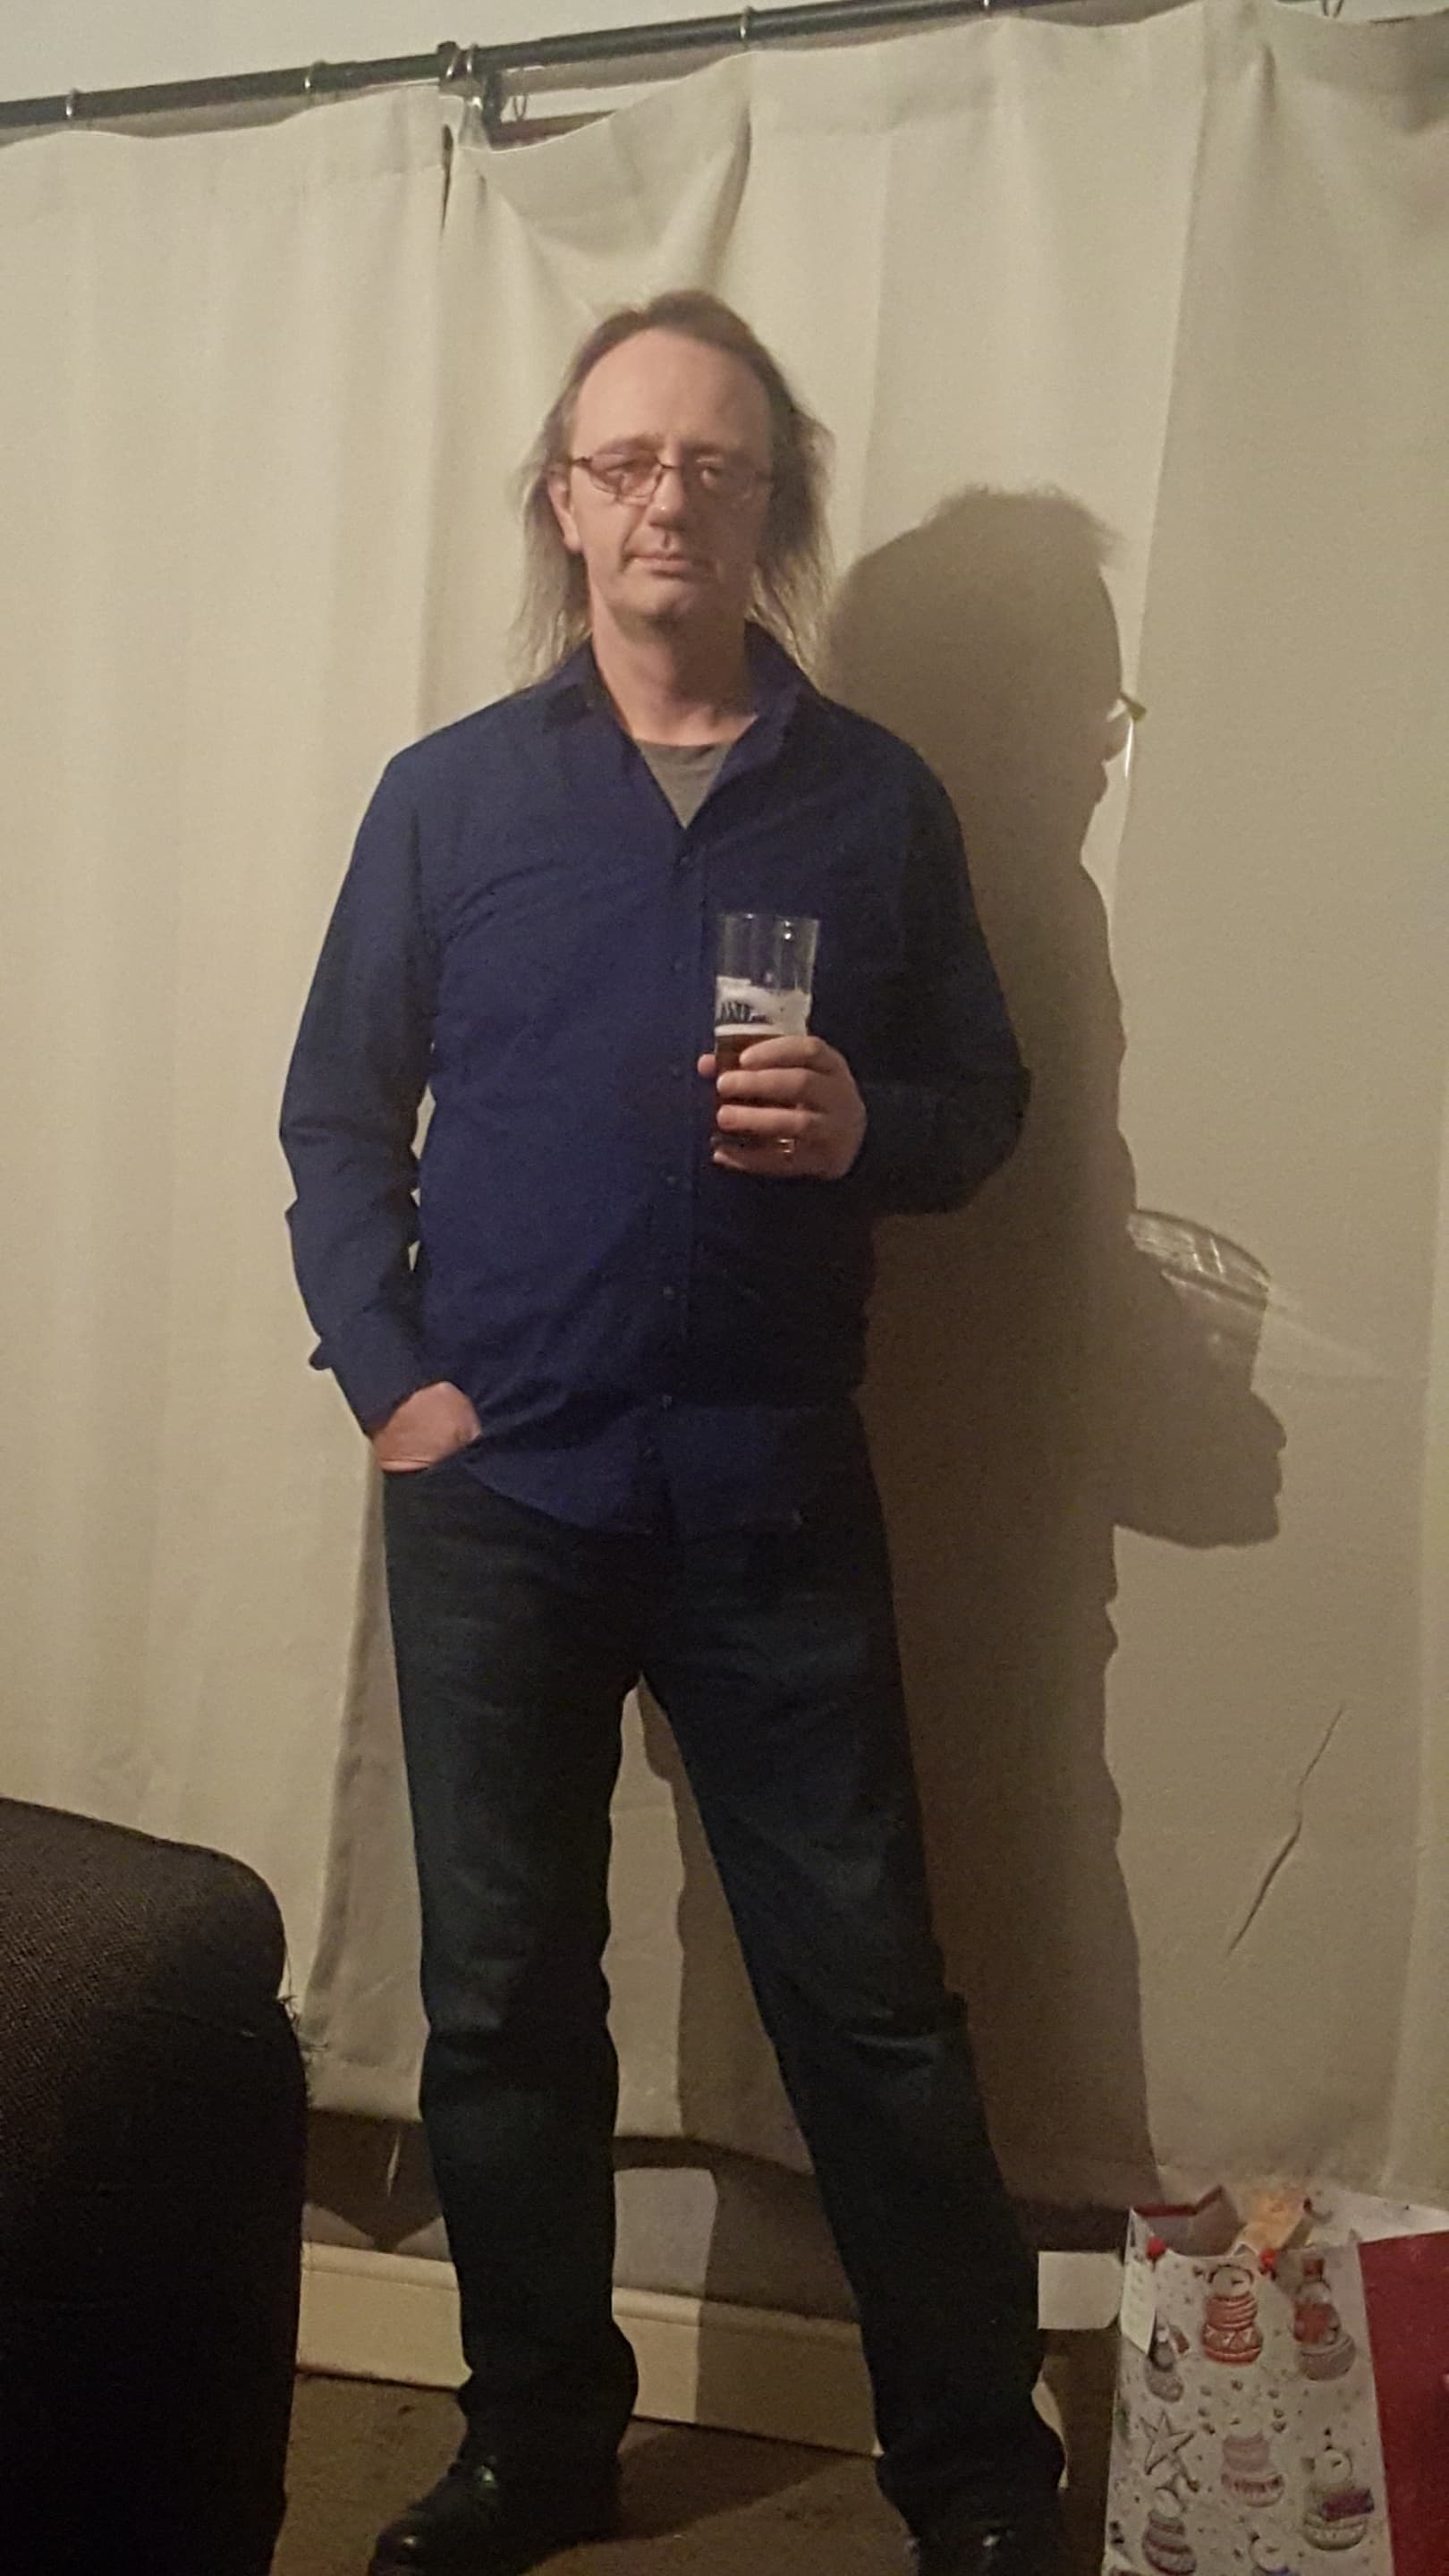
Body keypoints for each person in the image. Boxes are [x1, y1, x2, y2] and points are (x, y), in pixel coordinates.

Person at [281, 291, 1067, 2576]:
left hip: (771, 1490)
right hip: (497, 1495)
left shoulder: (877, 798)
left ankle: (980, 2476)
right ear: (564, 497)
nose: (667, 500)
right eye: (627, 460)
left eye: (714, 465)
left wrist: (871, 1125)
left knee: (875, 2005)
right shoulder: (446, 799)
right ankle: (537, 2443)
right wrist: (394, 1380)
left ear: (769, 504)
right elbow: (337, 1120)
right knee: (505, 2007)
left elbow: (988, 1105)